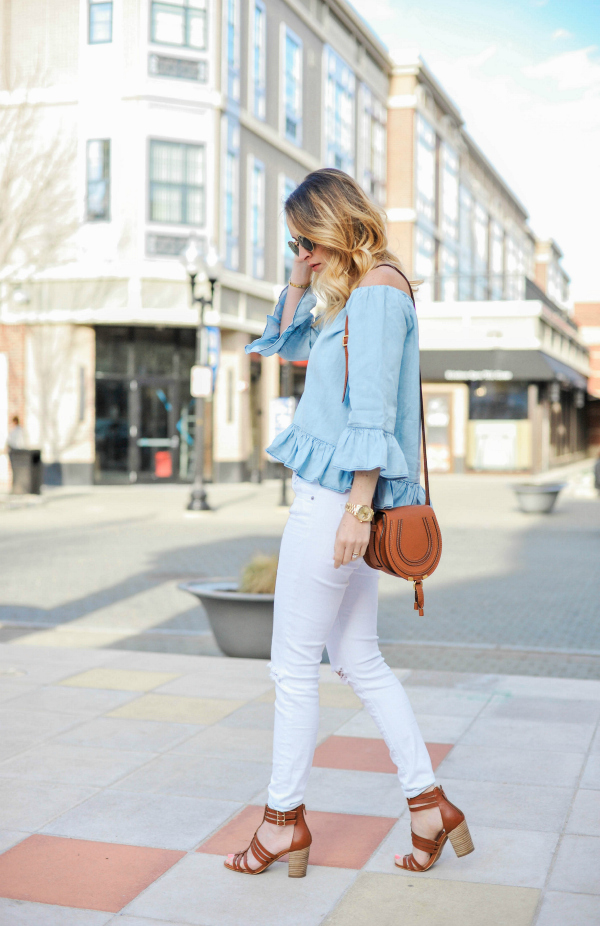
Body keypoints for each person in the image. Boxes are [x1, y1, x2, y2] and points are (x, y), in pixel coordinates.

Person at [225, 169, 473, 878]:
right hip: (342, 500)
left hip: (334, 500)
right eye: (297, 242)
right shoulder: (369, 290)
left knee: (293, 667)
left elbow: (371, 412)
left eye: (307, 236)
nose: (304, 249)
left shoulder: (372, 297)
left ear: (335, 225)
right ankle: (429, 806)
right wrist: (300, 281)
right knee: (359, 659)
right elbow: (281, 342)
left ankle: (281, 825)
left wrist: (359, 510)